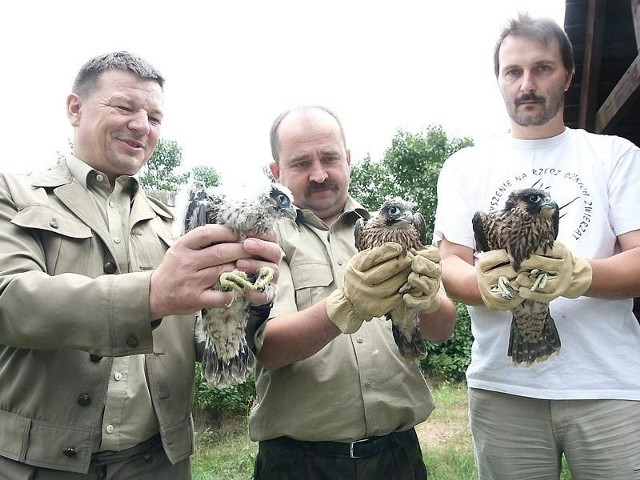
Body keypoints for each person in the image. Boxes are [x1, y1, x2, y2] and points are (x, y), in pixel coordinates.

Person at [0, 51, 281, 479]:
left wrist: (251, 303)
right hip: (37, 462)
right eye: (124, 107)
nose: (141, 125)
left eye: (154, 116)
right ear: (75, 108)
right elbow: (9, 301)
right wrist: (151, 295)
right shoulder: (14, 195)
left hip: (157, 462)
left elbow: (206, 339)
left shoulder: (178, 221)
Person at [433, 13, 640, 480]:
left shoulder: (615, 155)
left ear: (568, 75)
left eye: (542, 68)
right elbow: (450, 264)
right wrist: (482, 286)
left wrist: (582, 275)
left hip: (609, 386)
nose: (527, 83)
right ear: (500, 81)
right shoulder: (465, 166)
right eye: (514, 71)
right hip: (503, 389)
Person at [247, 105, 457, 480]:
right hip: (299, 463)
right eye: (300, 163)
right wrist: (346, 304)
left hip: (398, 455)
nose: (319, 173)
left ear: (348, 158)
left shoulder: (392, 226)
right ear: (276, 172)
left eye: (329, 157)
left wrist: (428, 300)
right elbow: (267, 348)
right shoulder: (261, 238)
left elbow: (442, 329)